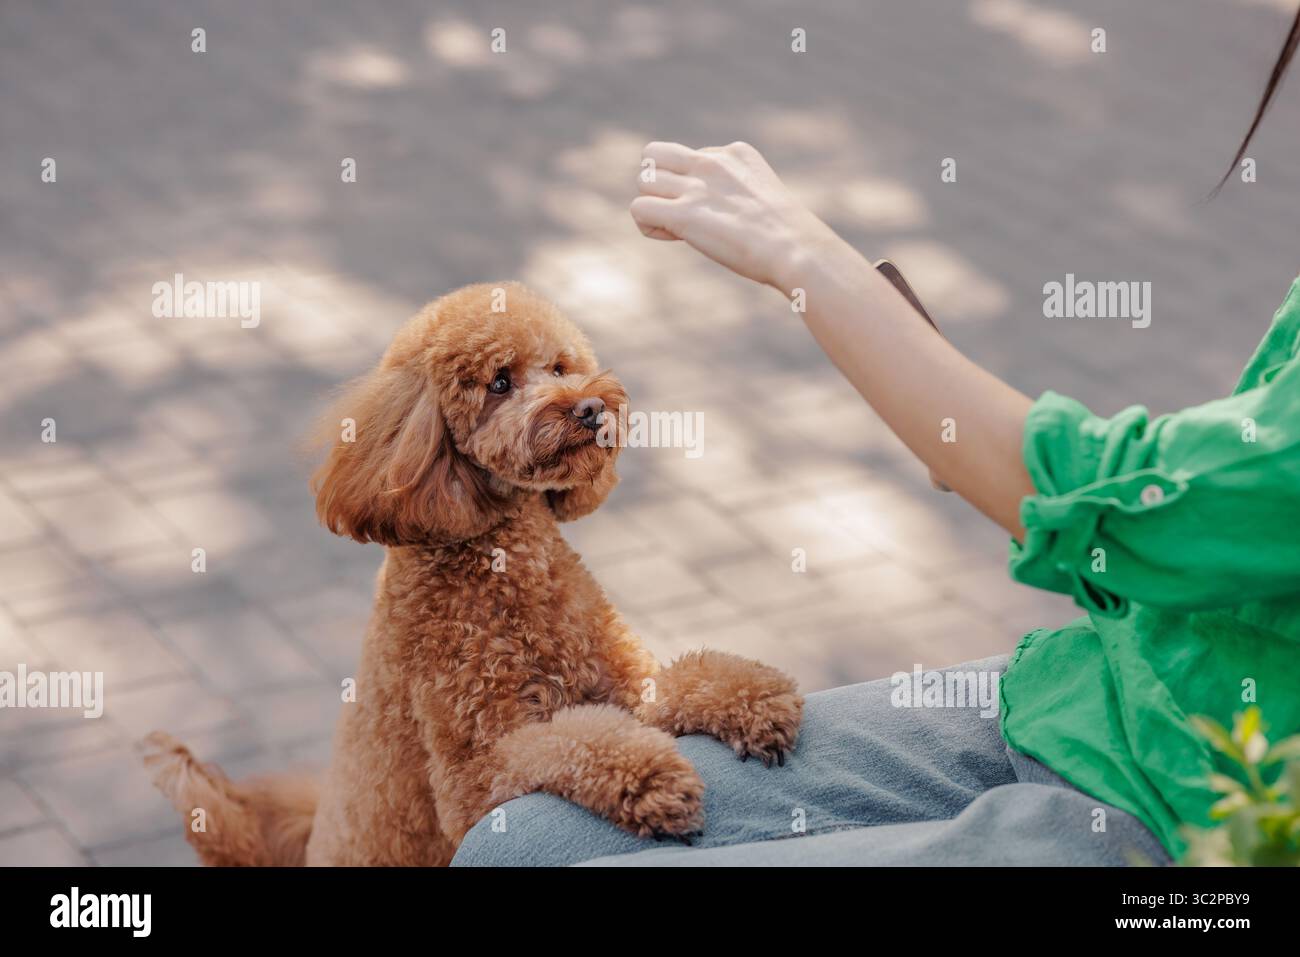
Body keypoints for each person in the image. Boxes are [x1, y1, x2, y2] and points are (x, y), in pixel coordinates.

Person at [451, 12, 1300, 866]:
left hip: (1208, 826)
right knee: (515, 846)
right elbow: (1221, 499)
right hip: (1102, 690)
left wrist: (806, 256)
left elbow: (1137, 510)